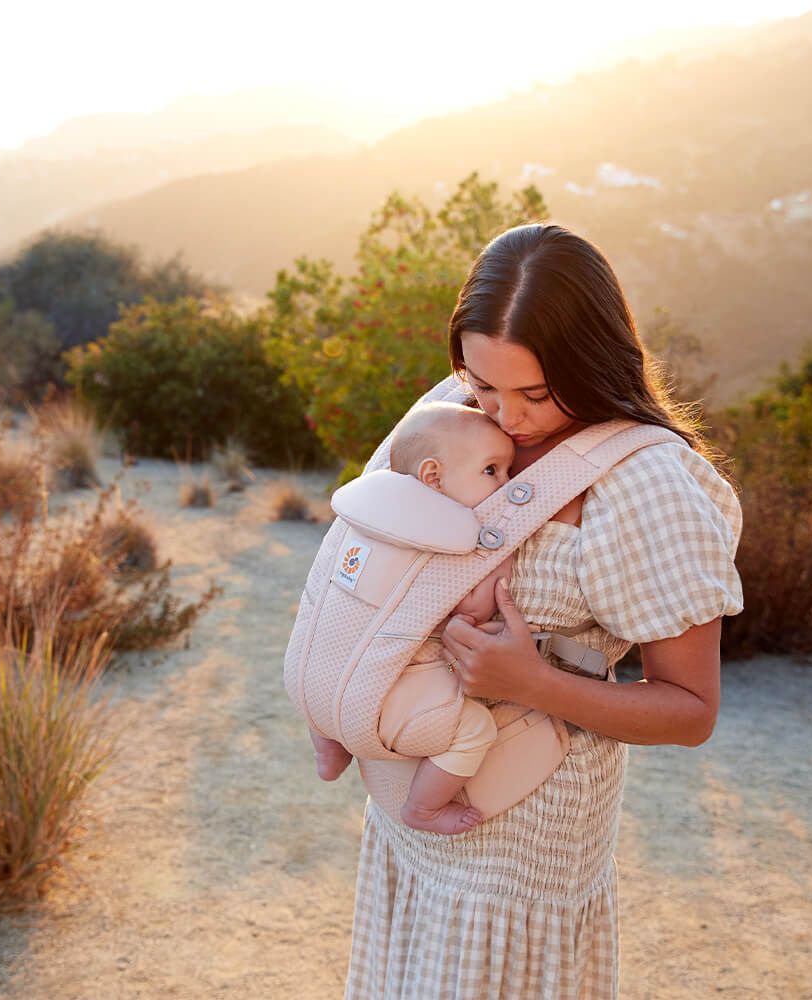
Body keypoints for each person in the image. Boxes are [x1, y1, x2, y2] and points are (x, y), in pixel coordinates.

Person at [343, 223, 743, 999]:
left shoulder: (647, 482)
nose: (507, 417)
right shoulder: (452, 412)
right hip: (412, 807)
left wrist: (531, 682)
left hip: (524, 842)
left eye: (534, 392)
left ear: (594, 360)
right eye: (484, 382)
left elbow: (692, 712)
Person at [309, 400, 518, 835]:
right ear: (433, 477)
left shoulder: (366, 512)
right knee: (474, 729)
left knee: (324, 673)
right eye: (492, 470)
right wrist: (501, 564)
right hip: (380, 701)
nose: (507, 482)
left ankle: (328, 748)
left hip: (309, 679)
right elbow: (474, 610)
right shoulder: (451, 537)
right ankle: (423, 808)